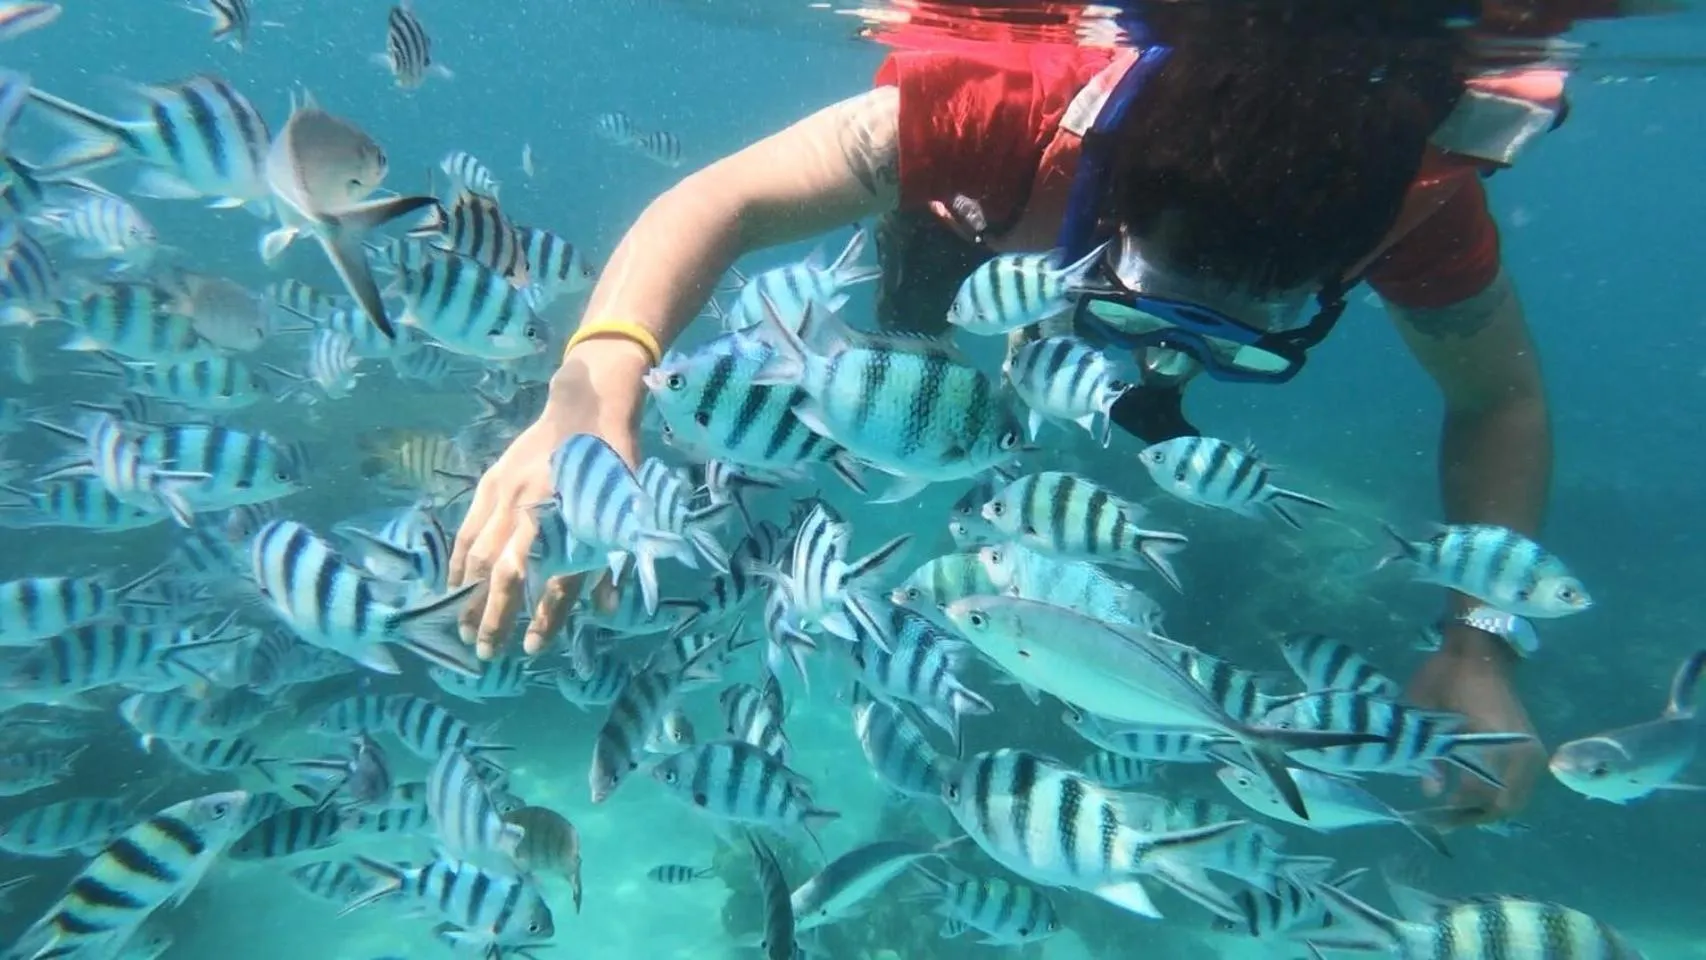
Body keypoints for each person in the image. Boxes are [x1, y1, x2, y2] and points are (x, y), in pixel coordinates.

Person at [447, 0, 1656, 826]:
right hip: (968, 240)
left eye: (1255, 324)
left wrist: (1476, 635)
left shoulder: (1414, 204)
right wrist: (591, 393)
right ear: (1113, 192)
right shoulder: (1000, 106)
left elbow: (1497, 399)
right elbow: (722, 201)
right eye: (1160, 301)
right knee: (908, 323)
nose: (1181, 345)